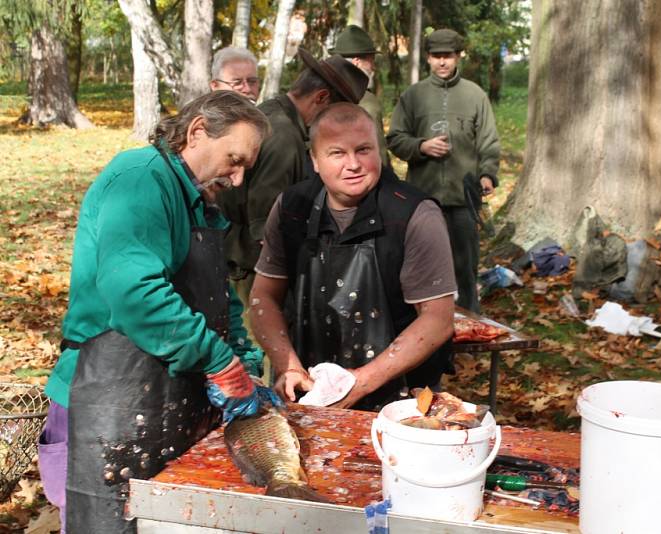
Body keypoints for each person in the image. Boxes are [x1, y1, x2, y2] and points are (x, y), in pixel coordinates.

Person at [38, 91, 271, 533]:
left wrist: (246, 360)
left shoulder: (199, 200)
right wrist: (220, 361)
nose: (238, 179)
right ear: (198, 131)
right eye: (233, 159)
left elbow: (220, 297)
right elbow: (135, 292)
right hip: (101, 406)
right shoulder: (139, 179)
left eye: (245, 167)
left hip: (163, 403)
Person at [249, 102, 456, 410]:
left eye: (363, 150)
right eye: (337, 153)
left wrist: (358, 383)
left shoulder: (415, 213)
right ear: (315, 160)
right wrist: (288, 365)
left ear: (379, 151)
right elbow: (263, 297)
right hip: (308, 390)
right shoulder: (291, 207)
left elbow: (438, 320)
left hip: (401, 399)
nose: (353, 164)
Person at [216, 49, 368, 318]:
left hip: (246, 263)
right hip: (253, 273)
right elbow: (266, 228)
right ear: (321, 99)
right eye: (338, 114)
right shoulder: (284, 137)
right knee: (262, 352)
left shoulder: (273, 113)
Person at [387, 29, 500, 313]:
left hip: (464, 199)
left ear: (458, 56)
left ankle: (470, 324)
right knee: (422, 265)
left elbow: (488, 140)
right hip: (422, 199)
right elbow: (395, 138)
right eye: (436, 56)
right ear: (427, 58)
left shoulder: (475, 95)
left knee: (465, 267)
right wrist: (421, 146)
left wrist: (487, 173)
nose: (442, 63)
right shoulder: (413, 96)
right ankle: (421, 325)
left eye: (447, 56)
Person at [329, 24, 390, 166]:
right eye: (371, 61)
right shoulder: (365, 101)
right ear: (357, 63)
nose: (373, 67)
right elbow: (377, 152)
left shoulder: (321, 94)